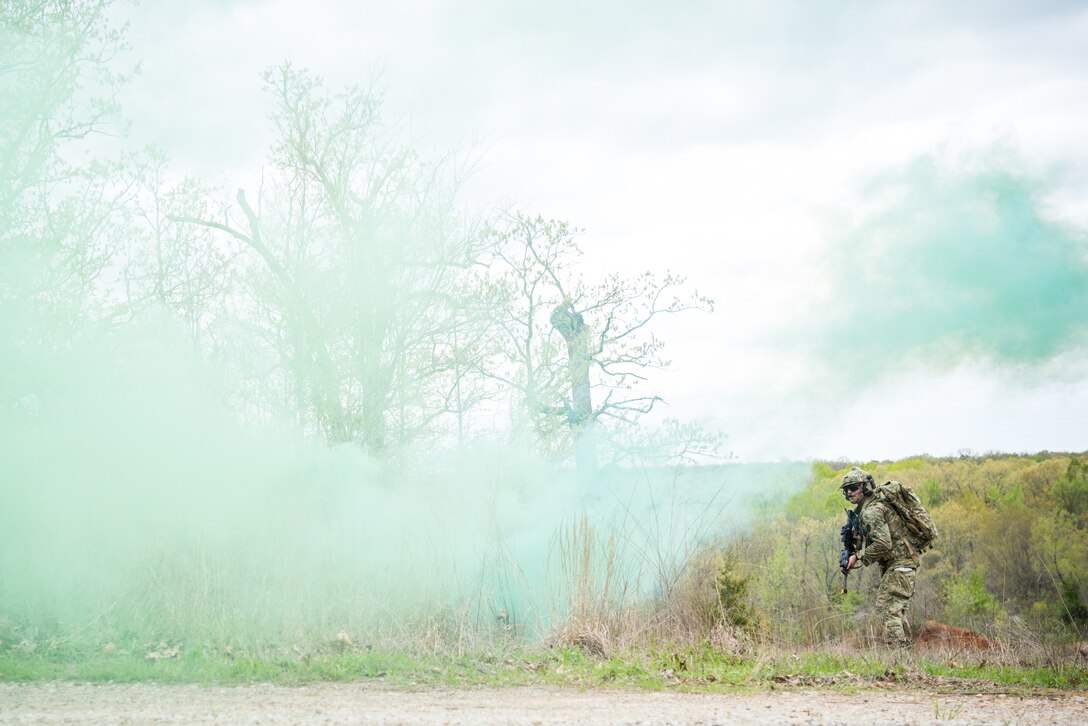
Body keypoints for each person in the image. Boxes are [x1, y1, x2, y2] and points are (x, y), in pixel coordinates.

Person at [841, 466, 920, 647]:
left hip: (900, 563)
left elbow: (884, 544)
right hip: (902, 563)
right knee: (895, 611)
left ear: (865, 487)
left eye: (853, 487)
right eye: (846, 489)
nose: (849, 492)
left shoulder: (872, 511)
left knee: (887, 609)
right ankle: (905, 656)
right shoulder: (869, 508)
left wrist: (859, 556)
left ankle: (897, 655)